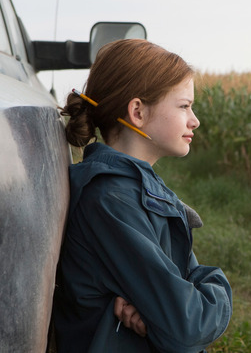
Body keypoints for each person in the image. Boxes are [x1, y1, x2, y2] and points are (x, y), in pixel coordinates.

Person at [53, 39, 232, 352]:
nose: (195, 120)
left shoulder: (133, 190)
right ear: (137, 111)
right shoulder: (111, 202)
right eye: (184, 106)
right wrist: (217, 285)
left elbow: (182, 314)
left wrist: (162, 320)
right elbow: (190, 325)